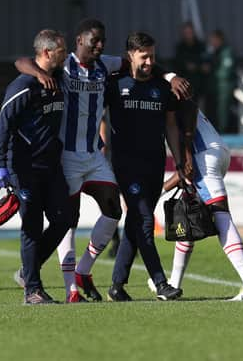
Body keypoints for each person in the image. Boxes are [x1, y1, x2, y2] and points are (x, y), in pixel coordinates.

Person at [13, 19, 190, 303]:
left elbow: (141, 63)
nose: (100, 45)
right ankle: (67, 286)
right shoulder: (65, 65)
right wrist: (37, 72)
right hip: (68, 156)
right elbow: (21, 61)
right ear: (79, 41)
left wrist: (168, 76)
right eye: (94, 40)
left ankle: (83, 269)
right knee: (68, 220)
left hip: (95, 155)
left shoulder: (104, 66)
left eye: (102, 41)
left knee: (113, 211)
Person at [150, 100, 243, 300]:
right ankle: (174, 285)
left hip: (203, 155)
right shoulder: (166, 89)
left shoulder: (164, 89)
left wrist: (154, 193)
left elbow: (188, 107)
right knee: (187, 215)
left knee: (220, 214)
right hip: (214, 151)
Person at [106, 31, 189, 302]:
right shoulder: (115, 82)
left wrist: (179, 162)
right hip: (124, 164)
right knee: (143, 220)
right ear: (130, 56)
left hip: (154, 165)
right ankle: (161, 282)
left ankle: (117, 286)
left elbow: (171, 126)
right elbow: (96, 113)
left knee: (134, 224)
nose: (149, 62)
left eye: (153, 56)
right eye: (144, 57)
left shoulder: (163, 86)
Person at [0, 29, 71, 304]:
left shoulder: (61, 77)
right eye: (62, 50)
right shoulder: (23, 86)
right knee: (32, 226)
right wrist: (0, 164)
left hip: (51, 164)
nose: (66, 53)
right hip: (24, 166)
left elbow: (22, 59)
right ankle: (33, 291)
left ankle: (28, 271)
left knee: (65, 218)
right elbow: (3, 125)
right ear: (47, 52)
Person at [206, 29, 237, 133]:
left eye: (214, 40)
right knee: (213, 113)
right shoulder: (214, 52)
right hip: (214, 89)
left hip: (224, 88)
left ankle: (223, 133)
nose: (212, 42)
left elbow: (226, 72)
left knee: (223, 113)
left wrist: (212, 71)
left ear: (220, 39)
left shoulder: (227, 51)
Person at [174, 22, 206, 104]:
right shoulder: (180, 48)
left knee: (198, 111)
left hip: (199, 86)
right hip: (184, 86)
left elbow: (206, 65)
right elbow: (177, 65)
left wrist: (196, 66)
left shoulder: (200, 46)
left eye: (190, 32)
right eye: (186, 33)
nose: (188, 35)